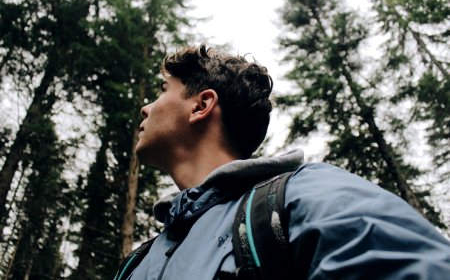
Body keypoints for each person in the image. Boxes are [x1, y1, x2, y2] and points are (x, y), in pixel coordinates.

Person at [123, 44, 450, 279]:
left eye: (162, 90)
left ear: (201, 106)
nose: (146, 108)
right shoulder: (136, 264)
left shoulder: (302, 196)